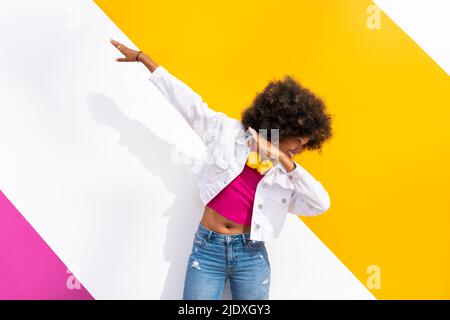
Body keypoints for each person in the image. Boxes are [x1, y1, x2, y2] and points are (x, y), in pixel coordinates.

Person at [110, 39, 334, 300]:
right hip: (208, 249)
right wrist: (144, 59)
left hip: (251, 255)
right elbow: (189, 104)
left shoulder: (288, 175)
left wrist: (284, 160)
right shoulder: (228, 133)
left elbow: (321, 204)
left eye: (305, 145)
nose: (299, 148)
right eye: (298, 140)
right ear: (285, 125)